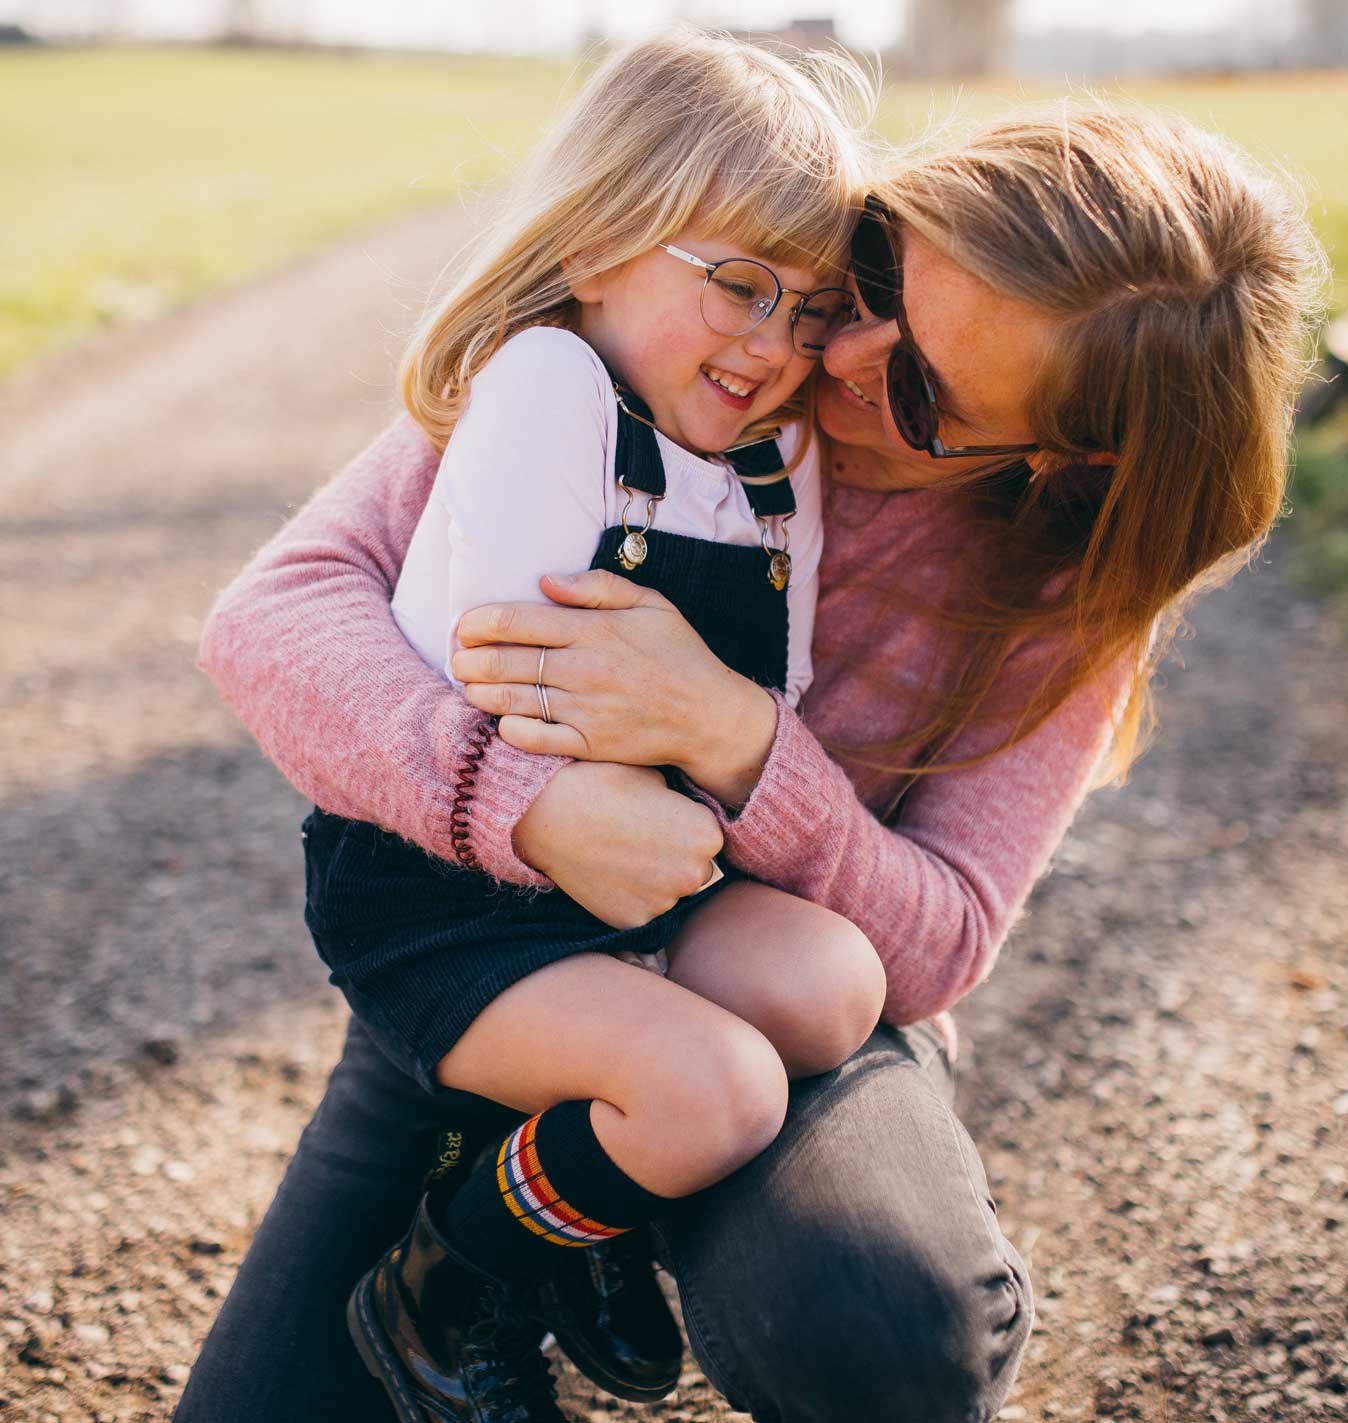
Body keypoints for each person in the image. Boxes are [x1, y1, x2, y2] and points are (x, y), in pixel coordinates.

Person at [181, 93, 1321, 1423]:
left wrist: (737, 741)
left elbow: (941, 940)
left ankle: (601, 1203)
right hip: (501, 936)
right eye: (877, 273)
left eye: (921, 390)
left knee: (881, 1330)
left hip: (783, 990)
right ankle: (511, 1225)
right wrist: (526, 802)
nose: (833, 351)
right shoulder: (646, 359)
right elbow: (277, 613)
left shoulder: (1062, 596)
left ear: (1062, 450)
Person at [289, 32, 885, 1423]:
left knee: (831, 987)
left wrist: (702, 743)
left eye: (809, 313)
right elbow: (510, 672)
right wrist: (645, 756)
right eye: (741, 286)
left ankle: (562, 1187)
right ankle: (457, 1265)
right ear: (607, 236)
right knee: (721, 1092)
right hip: (461, 894)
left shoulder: (776, 455)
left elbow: (770, 692)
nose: (772, 345)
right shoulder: (549, 387)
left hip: (641, 876)